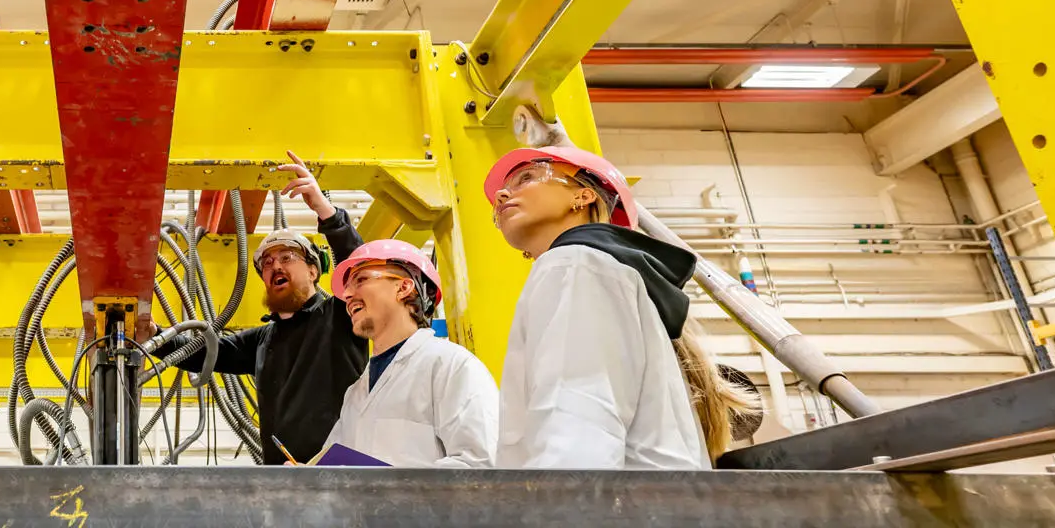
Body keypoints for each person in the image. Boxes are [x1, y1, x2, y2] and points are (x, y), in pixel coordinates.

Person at [485, 146, 758, 469]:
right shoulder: (592, 269)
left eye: (526, 178)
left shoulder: (574, 264)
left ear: (583, 196)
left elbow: (577, 419)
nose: (503, 194)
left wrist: (550, 510)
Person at [151, 150, 367, 466]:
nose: (274, 265)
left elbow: (358, 270)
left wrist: (325, 211)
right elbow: (207, 351)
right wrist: (155, 335)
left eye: (287, 257)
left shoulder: (339, 317)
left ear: (313, 271)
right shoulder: (263, 340)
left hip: (343, 472)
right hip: (283, 481)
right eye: (267, 262)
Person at [321, 240, 498, 467]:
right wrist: (304, 477)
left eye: (361, 280)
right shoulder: (355, 393)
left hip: (429, 505)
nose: (346, 294)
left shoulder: (452, 366)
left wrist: (393, 491)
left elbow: (480, 465)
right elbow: (332, 468)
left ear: (403, 288)